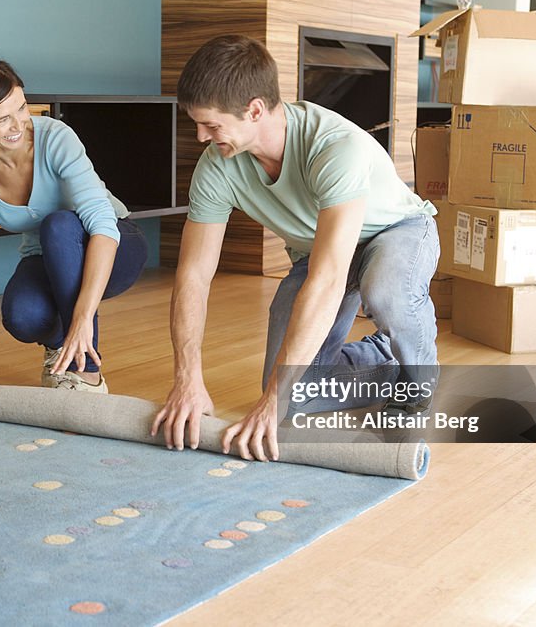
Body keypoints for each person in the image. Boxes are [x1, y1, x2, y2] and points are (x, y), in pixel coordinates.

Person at [151, 35, 439, 461]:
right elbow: (193, 275)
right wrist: (187, 379)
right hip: (318, 251)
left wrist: (272, 402)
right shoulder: (218, 165)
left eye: (211, 125)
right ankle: (384, 356)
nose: (200, 137)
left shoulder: (334, 148)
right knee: (293, 393)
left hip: (396, 232)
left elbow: (327, 281)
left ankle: (419, 381)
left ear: (253, 110)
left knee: (385, 291)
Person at [0, 52, 148, 413]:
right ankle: (60, 346)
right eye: (2, 119)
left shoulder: (56, 137)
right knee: (21, 316)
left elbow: (100, 222)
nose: (19, 124)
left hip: (116, 243)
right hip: (48, 257)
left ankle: (88, 374)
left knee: (59, 224)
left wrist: (82, 321)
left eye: (21, 107)